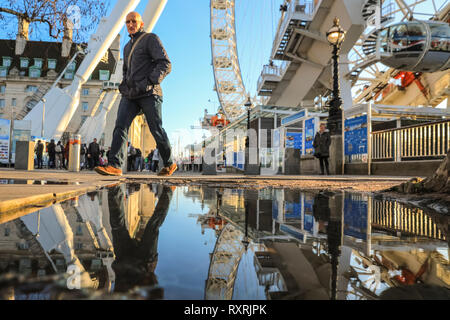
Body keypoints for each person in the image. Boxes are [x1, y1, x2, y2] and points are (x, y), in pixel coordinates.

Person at [94, 11, 177, 177]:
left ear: (141, 24)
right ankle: (114, 165)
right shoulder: (127, 47)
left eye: (133, 21)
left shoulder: (150, 39)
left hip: (149, 93)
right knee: (120, 126)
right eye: (127, 22)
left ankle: (169, 163)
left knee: (156, 129)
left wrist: (149, 82)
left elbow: (165, 64)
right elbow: (126, 71)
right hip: (131, 95)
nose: (130, 24)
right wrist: (124, 86)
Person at [107, 184, 172, 295]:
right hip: (145, 263)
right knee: (152, 226)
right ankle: (168, 190)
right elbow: (157, 291)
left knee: (117, 226)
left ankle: (114, 189)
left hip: (123, 261)